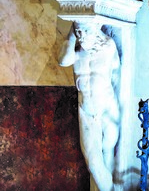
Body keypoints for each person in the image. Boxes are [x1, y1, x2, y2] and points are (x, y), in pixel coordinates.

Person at [59, 21, 121, 191]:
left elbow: (116, 76)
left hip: (108, 108)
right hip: (87, 112)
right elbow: (63, 61)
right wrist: (72, 35)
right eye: (79, 33)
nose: (82, 36)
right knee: (93, 164)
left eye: (85, 31)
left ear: (95, 27)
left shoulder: (108, 47)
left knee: (108, 153)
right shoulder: (76, 52)